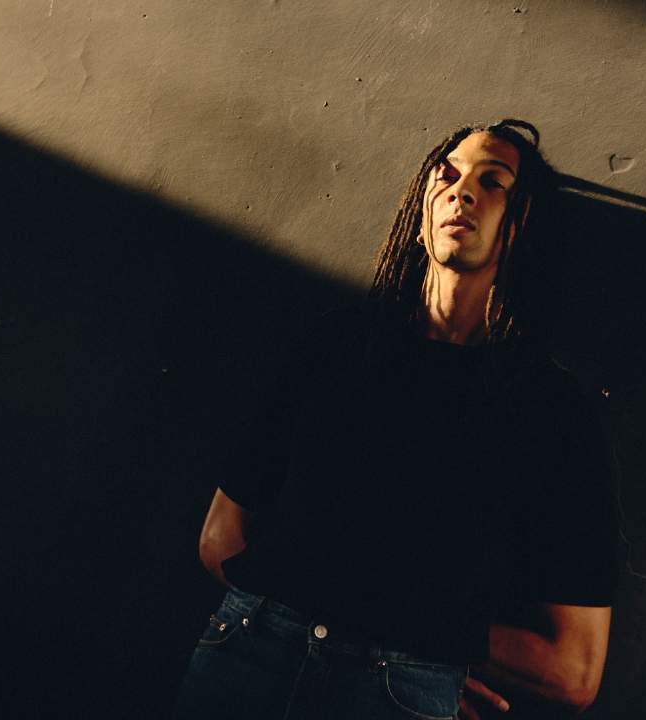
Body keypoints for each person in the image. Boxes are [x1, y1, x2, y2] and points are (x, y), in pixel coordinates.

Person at [174, 119, 619, 719]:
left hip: (391, 695)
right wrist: (424, 647)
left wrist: (429, 663)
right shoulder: (336, 347)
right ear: (420, 214)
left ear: (523, 226)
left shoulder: (552, 412)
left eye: (493, 182)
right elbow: (220, 539)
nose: (461, 192)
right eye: (447, 176)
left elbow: (573, 670)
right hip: (249, 656)